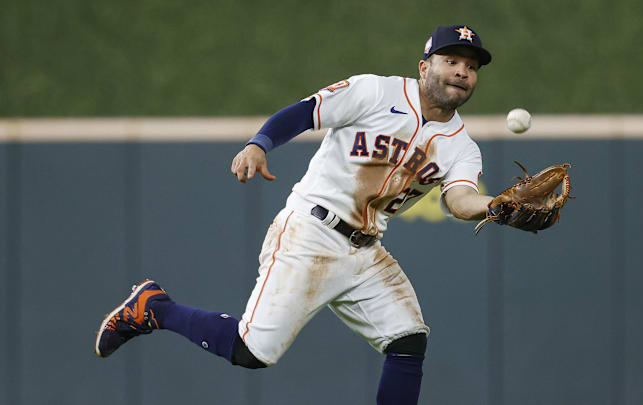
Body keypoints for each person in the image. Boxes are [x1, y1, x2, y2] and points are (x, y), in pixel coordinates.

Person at [95, 24, 495, 405]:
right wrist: (260, 143)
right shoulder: (375, 91)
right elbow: (307, 112)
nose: (462, 72)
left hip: (367, 251)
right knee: (252, 352)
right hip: (312, 230)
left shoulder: (462, 147)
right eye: (451, 61)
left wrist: (498, 207)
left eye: (471, 67)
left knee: (408, 339)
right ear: (425, 66)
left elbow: (460, 200)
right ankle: (153, 308)